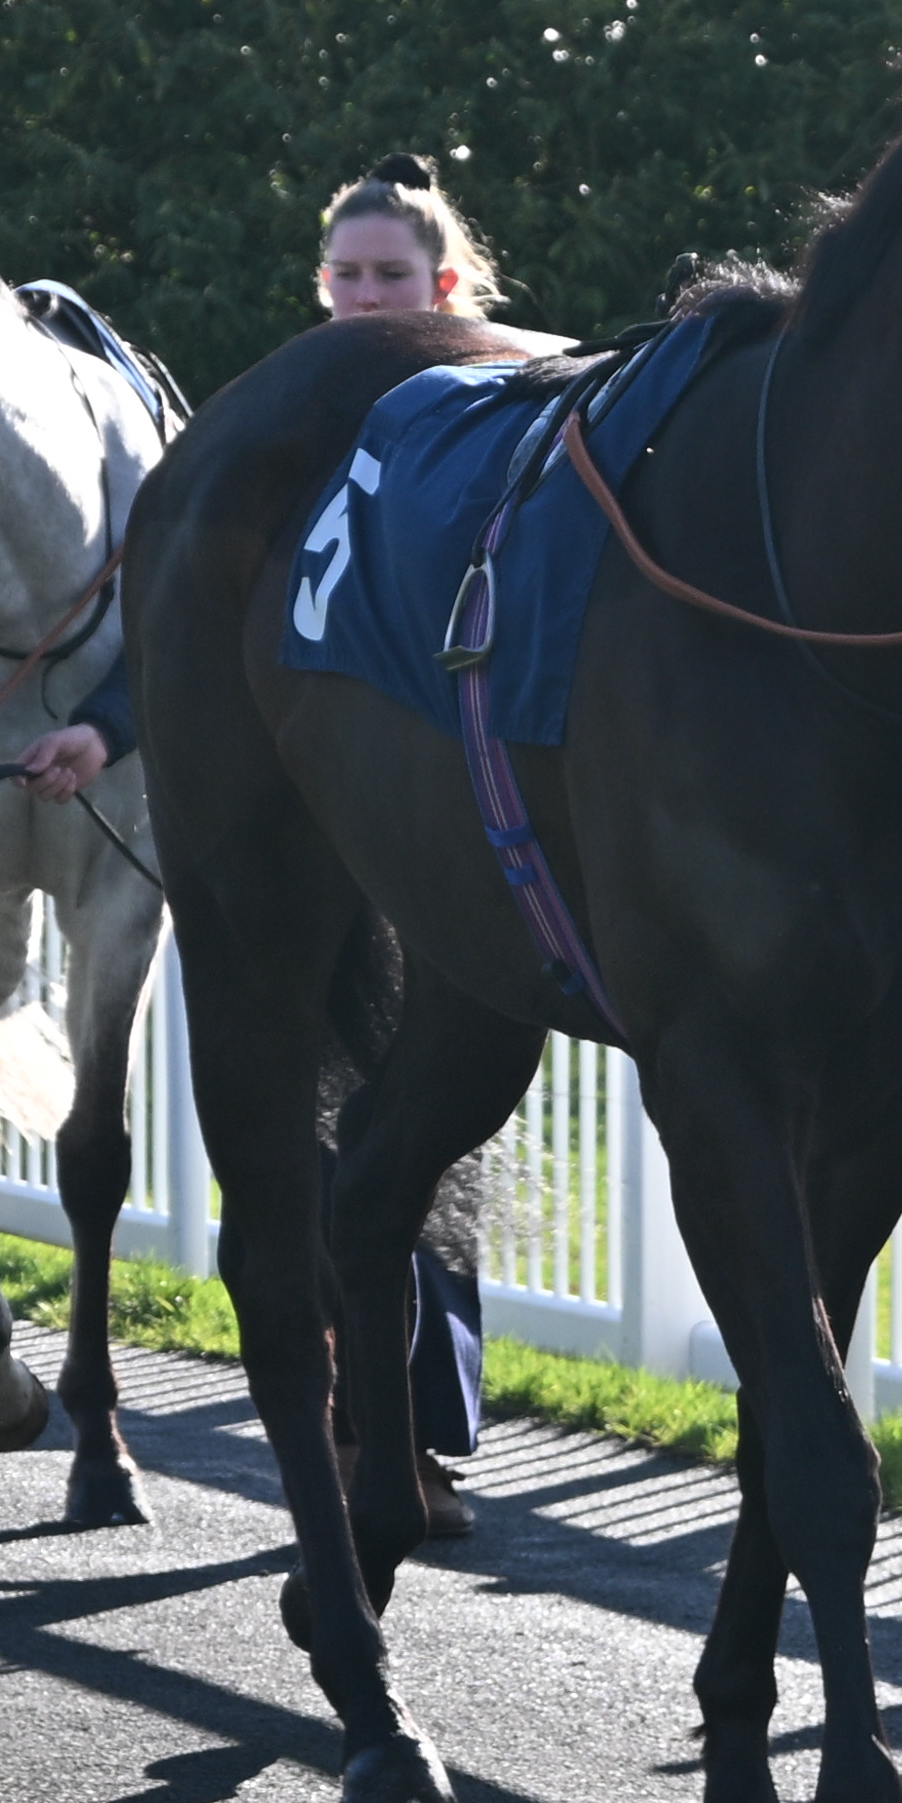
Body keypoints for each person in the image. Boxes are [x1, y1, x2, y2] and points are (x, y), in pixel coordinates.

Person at [290, 148, 519, 1539]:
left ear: (446, 288)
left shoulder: (484, 424)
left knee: (439, 1141)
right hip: (312, 837)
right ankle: (353, 1424)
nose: (368, 296)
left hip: (450, 838)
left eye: (394, 276)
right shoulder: (284, 431)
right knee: (331, 1144)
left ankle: (430, 1431)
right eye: (348, 277)